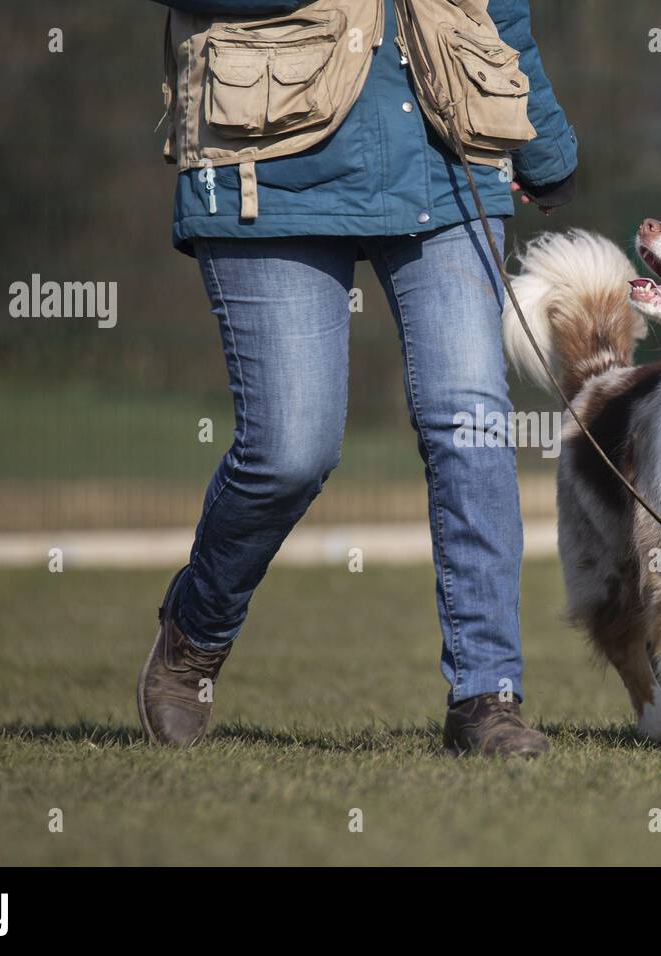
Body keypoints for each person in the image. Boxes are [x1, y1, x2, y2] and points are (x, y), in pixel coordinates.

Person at [137, 0, 577, 757]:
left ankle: (487, 694)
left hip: (443, 150)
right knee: (290, 450)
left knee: (470, 422)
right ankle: (196, 629)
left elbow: (497, 6)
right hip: (268, 158)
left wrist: (546, 142)